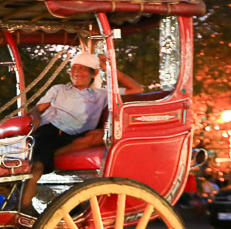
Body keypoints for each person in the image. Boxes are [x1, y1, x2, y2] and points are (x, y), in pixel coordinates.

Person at [21, 52, 143, 214]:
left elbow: (137, 89)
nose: (76, 72)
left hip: (73, 138)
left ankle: (49, 157)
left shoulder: (100, 95)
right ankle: (25, 207)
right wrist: (34, 117)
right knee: (37, 167)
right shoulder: (59, 89)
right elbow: (37, 109)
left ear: (94, 73)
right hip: (50, 131)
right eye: (74, 68)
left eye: (82, 69)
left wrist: (110, 69)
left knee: (99, 135)